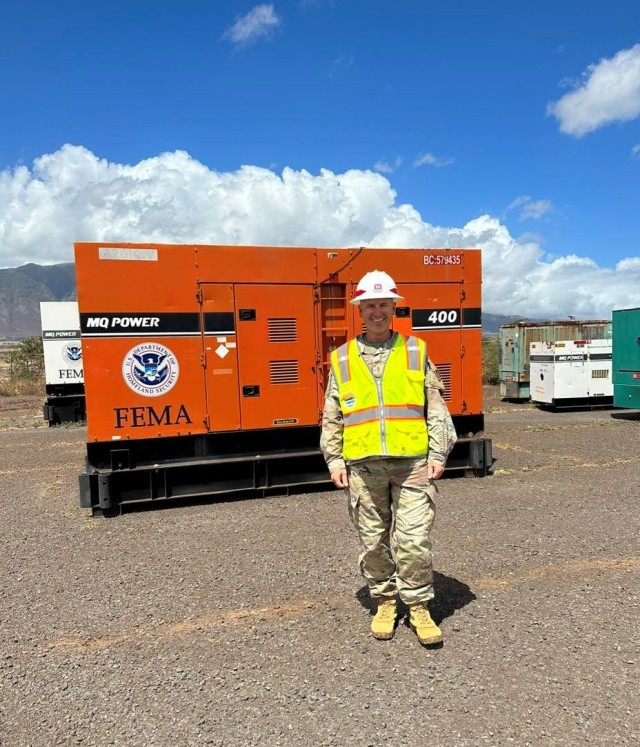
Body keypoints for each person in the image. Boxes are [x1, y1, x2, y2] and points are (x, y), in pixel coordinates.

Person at [320, 270, 457, 645]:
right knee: (373, 541)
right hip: (363, 466)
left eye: (384, 304)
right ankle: (384, 600)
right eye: (370, 305)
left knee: (413, 541)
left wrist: (438, 450)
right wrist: (333, 459)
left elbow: (436, 406)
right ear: (360, 310)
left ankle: (418, 607)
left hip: (412, 462)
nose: (377, 311)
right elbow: (331, 412)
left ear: (393, 307)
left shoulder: (415, 350)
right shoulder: (342, 358)